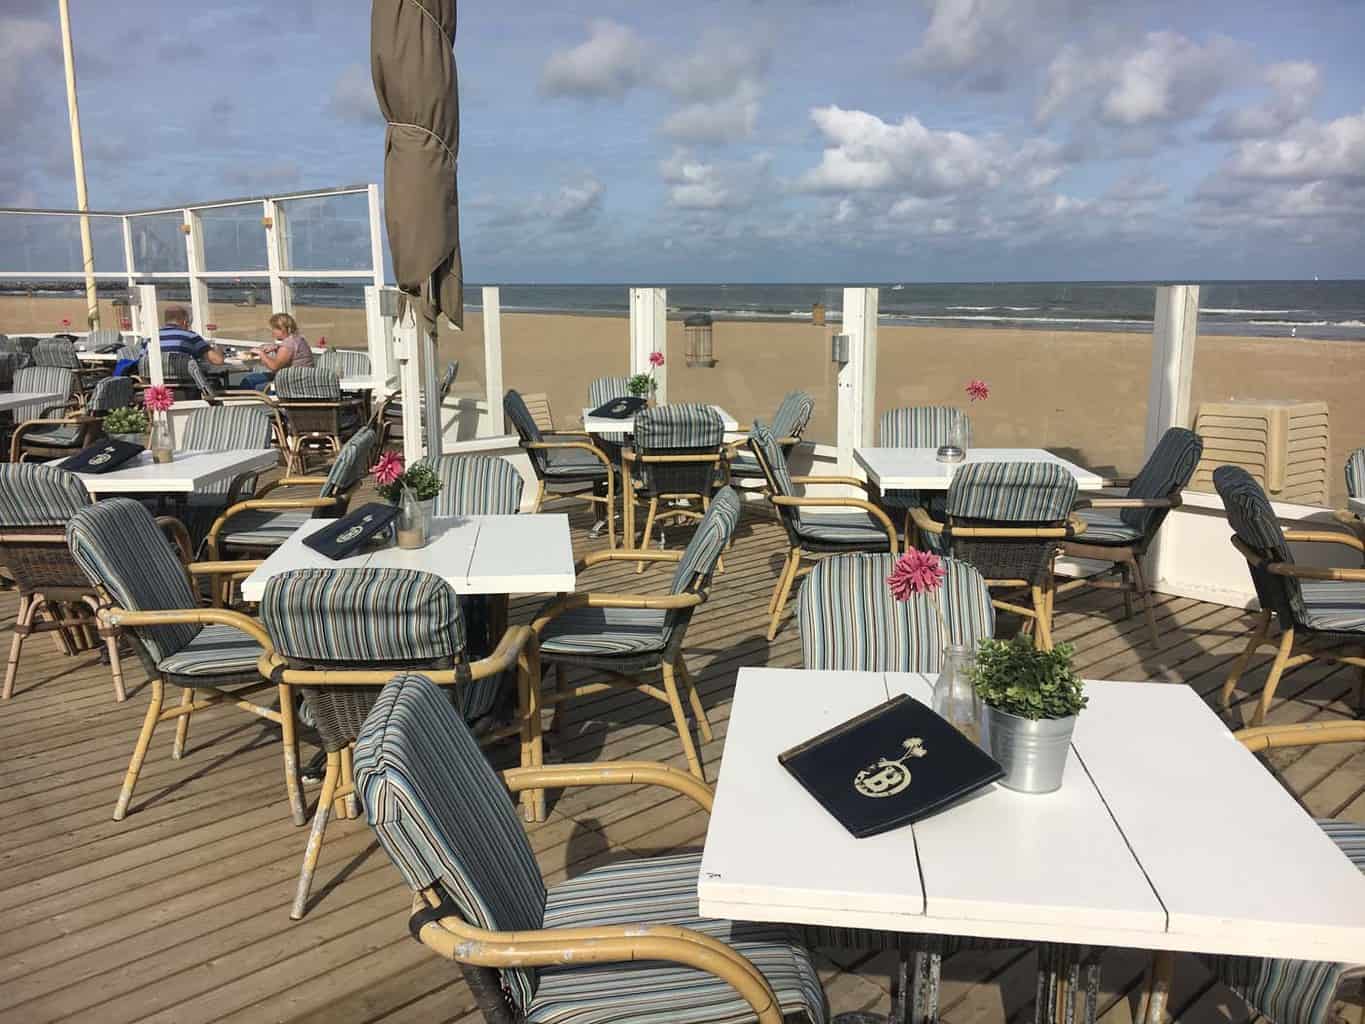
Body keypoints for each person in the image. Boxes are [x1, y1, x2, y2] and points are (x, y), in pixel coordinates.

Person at [239, 312, 312, 391]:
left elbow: (274, 367)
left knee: (254, 387)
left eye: (275, 329)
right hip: (298, 378)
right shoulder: (297, 338)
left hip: (293, 384)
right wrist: (276, 347)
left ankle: (243, 400)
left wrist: (261, 353)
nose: (272, 331)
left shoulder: (287, 345)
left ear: (284, 329)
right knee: (249, 380)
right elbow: (291, 353)